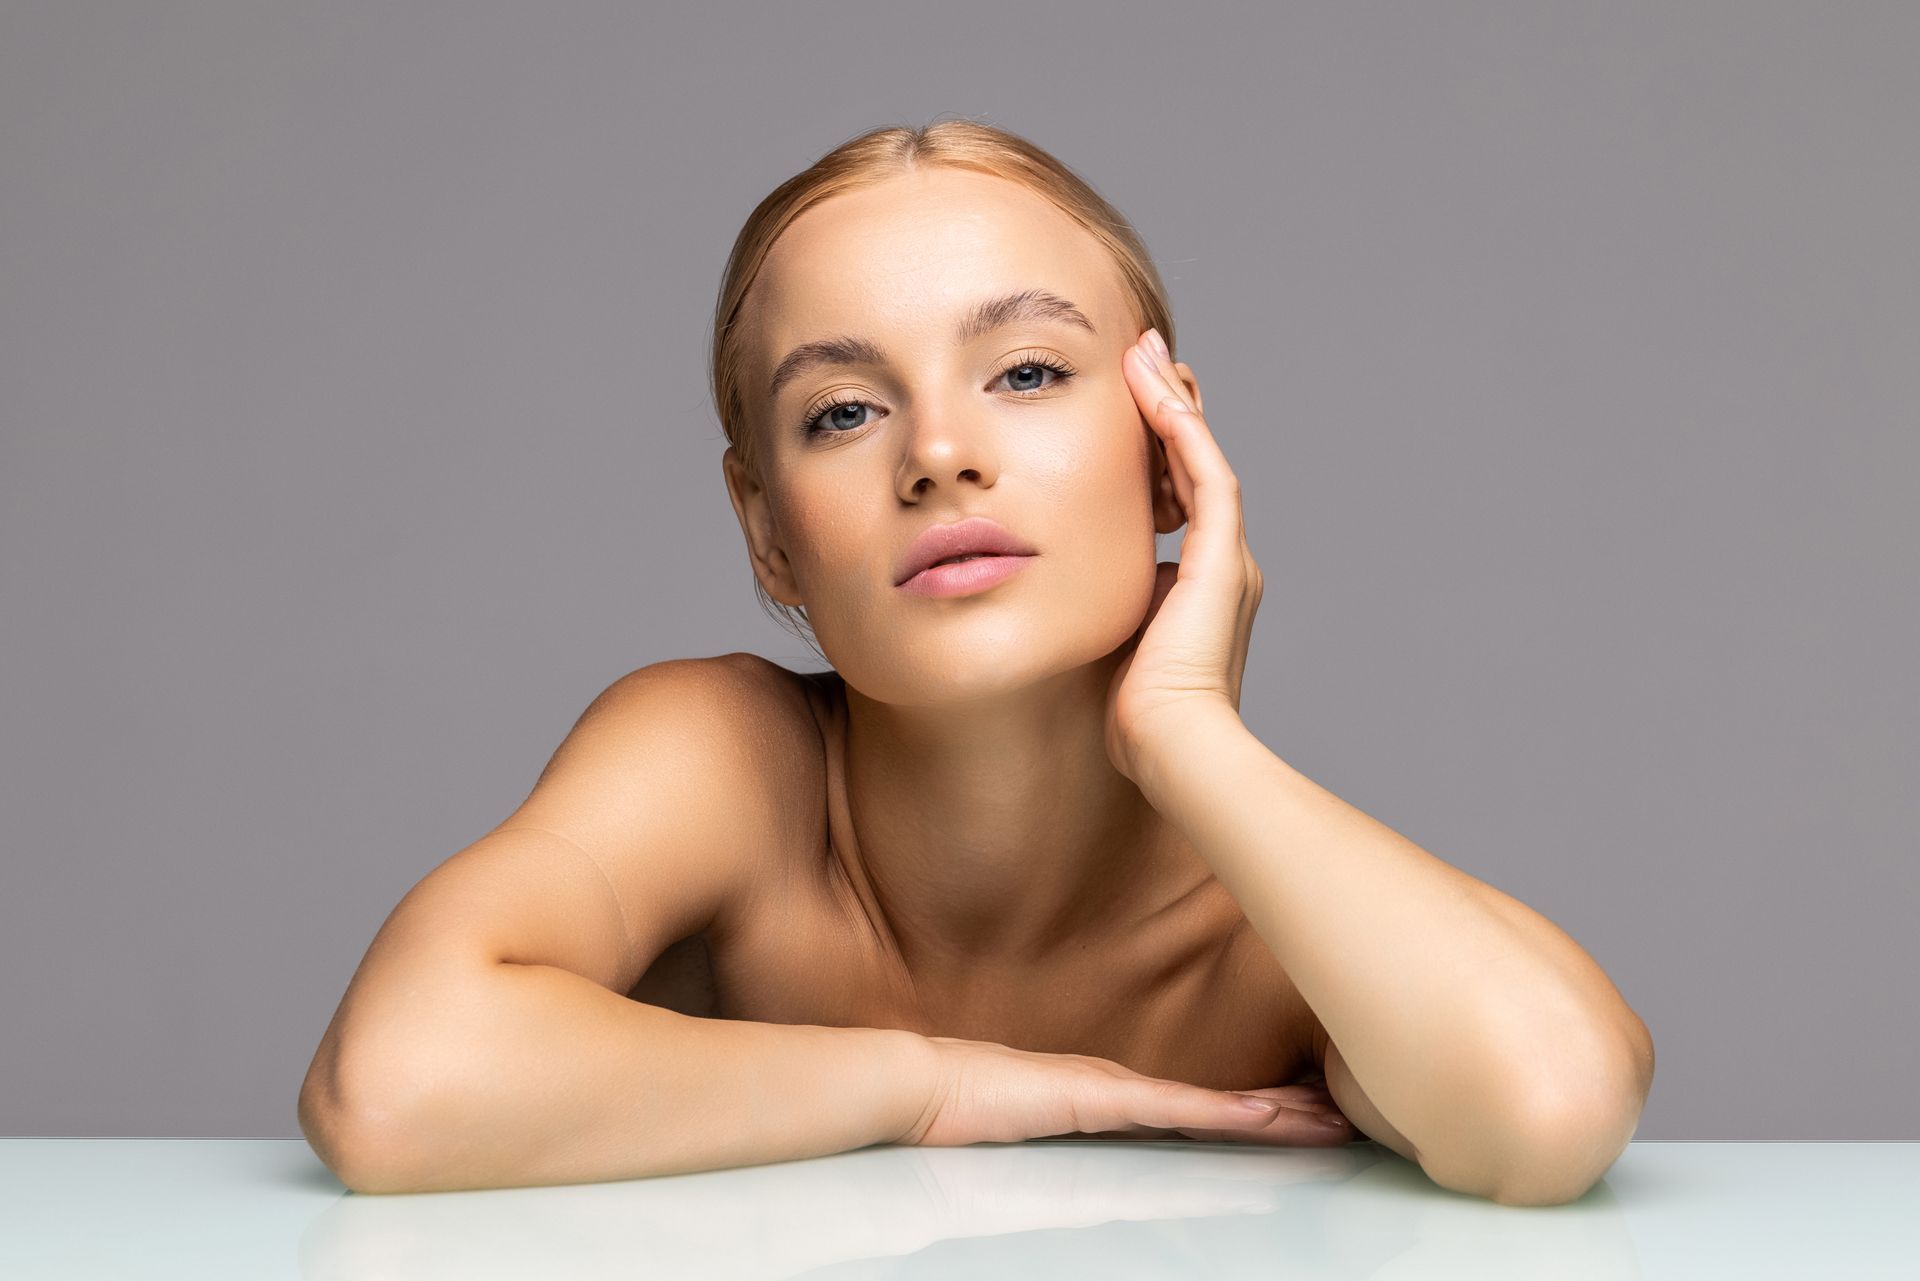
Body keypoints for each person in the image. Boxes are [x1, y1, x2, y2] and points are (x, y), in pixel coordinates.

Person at [299, 122, 1649, 1204]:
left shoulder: (1273, 933)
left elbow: (1550, 1110)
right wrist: (933, 1085)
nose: (939, 454)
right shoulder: (721, 759)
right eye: (843, 410)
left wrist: (1189, 730)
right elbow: (394, 1087)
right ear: (766, 530)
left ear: (1169, 454)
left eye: (1027, 373)